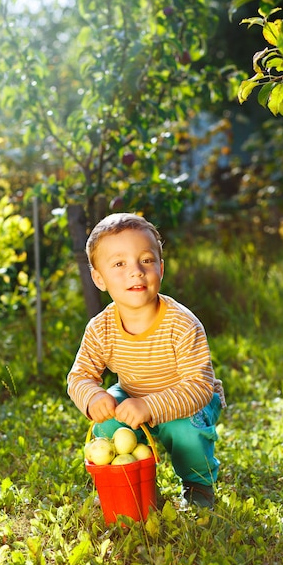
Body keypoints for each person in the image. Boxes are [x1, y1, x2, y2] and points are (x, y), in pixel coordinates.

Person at [67, 213, 226, 508]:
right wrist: (92, 396)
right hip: (133, 396)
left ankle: (198, 486)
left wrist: (149, 406)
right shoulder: (101, 328)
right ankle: (136, 486)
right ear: (99, 278)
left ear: (161, 268)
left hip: (188, 400)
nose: (136, 272)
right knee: (108, 423)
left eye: (146, 260)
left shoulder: (182, 323)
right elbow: (79, 376)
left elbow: (199, 387)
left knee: (185, 432)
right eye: (119, 264)